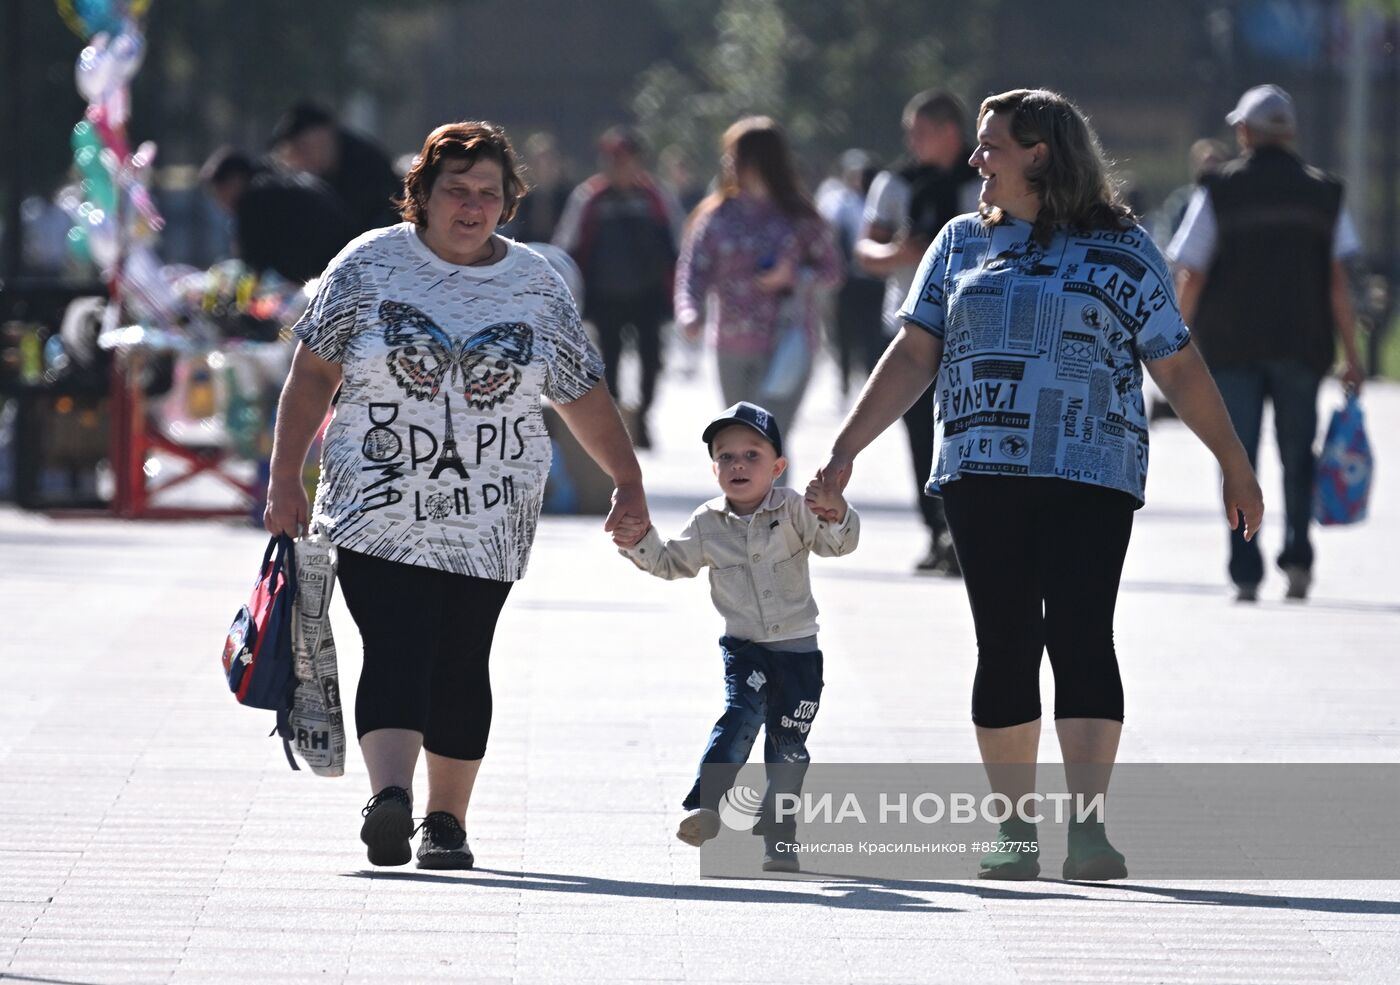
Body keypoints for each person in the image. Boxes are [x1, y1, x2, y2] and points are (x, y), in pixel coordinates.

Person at [813, 88, 1263, 881]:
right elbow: (915, 354)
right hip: (982, 471)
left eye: (991, 146)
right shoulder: (957, 243)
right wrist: (845, 449)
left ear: (1040, 154)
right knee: (1007, 640)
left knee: (1084, 634)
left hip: (1094, 472)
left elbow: (1179, 364)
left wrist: (1234, 460)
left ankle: (1087, 831)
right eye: (978, 145)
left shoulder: (1124, 249)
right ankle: (1015, 829)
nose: (976, 159)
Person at [262, 121, 649, 870]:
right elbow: (312, 376)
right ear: (421, 197)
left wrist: (627, 478)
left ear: (508, 204)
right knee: (398, 642)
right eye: (456, 191)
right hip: (373, 505)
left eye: (488, 194)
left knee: (462, 659)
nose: (471, 206)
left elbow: (581, 391)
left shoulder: (536, 282)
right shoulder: (368, 265)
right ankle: (392, 799)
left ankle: (445, 819)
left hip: (492, 513)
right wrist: (285, 478)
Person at [611, 401, 859, 873]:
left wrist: (835, 512)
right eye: (726, 457)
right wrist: (637, 540)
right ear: (713, 467)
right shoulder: (707, 522)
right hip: (745, 650)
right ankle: (707, 807)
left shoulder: (792, 509)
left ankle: (779, 834)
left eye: (752, 455)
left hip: (799, 653)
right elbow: (669, 562)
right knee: (739, 715)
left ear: (778, 466)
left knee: (788, 748)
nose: (738, 465)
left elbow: (837, 544)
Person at [1168, 84, 1366, 603]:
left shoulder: (1218, 190)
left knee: (1237, 456)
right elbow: (1337, 281)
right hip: (1303, 346)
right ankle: (1298, 557)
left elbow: (1192, 272)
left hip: (1231, 350)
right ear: (1291, 132)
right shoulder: (1324, 192)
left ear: (1244, 132)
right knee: (1298, 456)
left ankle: (1245, 566)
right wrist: (1353, 354)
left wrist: (1171, 345)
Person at [857, 90, 981, 576]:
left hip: (973, 326)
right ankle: (936, 530)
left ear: (949, 131)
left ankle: (965, 531)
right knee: (919, 434)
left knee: (967, 431)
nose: (911, 140)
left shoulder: (985, 179)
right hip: (910, 324)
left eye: (920, 131)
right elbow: (866, 249)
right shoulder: (895, 183)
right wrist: (899, 255)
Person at [675, 116, 843, 450]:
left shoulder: (800, 217)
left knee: (766, 442)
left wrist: (792, 276)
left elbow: (833, 272)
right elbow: (692, 272)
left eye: (736, 156)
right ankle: (752, 505)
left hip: (788, 343)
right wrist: (689, 312)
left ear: (761, 160)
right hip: (730, 345)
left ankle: (773, 504)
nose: (729, 164)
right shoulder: (715, 216)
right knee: (740, 442)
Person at [553, 126, 684, 450]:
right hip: (605, 298)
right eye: (612, 160)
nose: (618, 167)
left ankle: (643, 417)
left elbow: (678, 244)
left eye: (625, 160)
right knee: (607, 363)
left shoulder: (655, 197)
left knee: (652, 360)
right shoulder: (589, 197)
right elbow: (566, 247)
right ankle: (620, 425)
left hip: (648, 296)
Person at [199, 147, 357, 284]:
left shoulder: (254, 199)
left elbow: (252, 266)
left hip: (320, 273)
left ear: (234, 181)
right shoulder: (282, 180)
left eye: (219, 193)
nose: (220, 203)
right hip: (349, 263)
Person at [270, 101, 402, 235]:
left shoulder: (364, 164)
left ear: (327, 136)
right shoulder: (291, 180)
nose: (306, 157)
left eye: (307, 148)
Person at [816, 149, 886, 398]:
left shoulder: (878, 201)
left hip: (875, 280)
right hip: (846, 281)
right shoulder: (838, 202)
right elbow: (830, 238)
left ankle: (871, 385)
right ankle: (844, 381)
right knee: (844, 335)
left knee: (872, 336)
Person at [500, 131, 573, 243]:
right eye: (537, 163)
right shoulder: (519, 199)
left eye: (549, 162)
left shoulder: (573, 198)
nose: (544, 169)